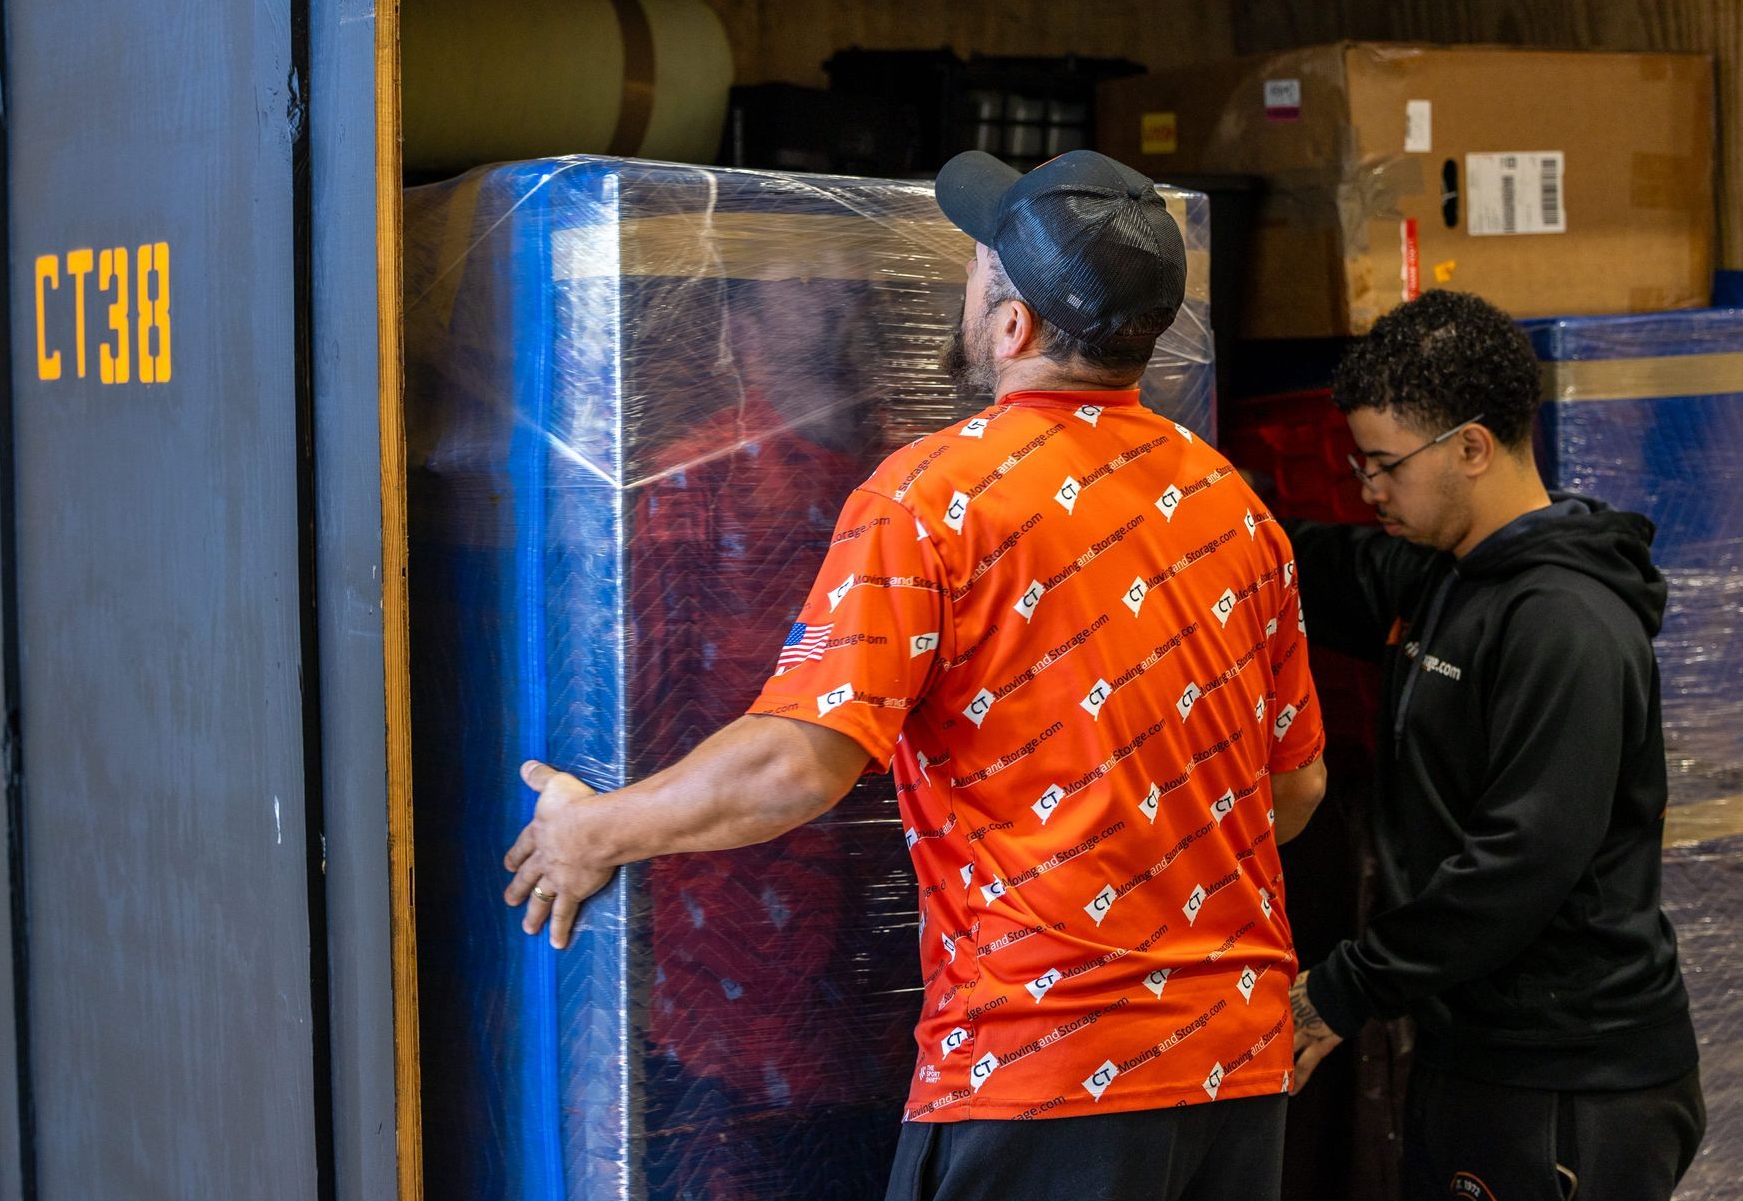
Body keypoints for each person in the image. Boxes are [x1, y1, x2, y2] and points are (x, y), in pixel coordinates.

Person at [504, 148, 1329, 1201]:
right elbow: (1294, 791)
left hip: (1045, 1073)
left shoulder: (935, 496)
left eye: (980, 265)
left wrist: (591, 831)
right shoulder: (1234, 508)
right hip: (1234, 1068)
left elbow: (797, 764)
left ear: (1014, 326)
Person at [1282, 290, 1705, 1200]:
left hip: (1570, 1082)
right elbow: (1307, 562)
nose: (1369, 491)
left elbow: (1519, 865)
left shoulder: (1566, 625)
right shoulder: (1446, 575)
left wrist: (1342, 989)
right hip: (1475, 1052)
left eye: (1386, 465)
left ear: (1472, 448)